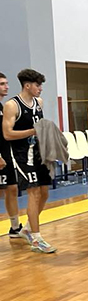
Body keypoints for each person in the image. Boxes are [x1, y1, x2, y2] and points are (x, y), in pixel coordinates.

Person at [2, 68, 56, 253]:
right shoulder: (12, 105)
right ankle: (37, 239)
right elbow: (7, 134)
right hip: (22, 155)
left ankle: (26, 229)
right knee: (34, 193)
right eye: (38, 85)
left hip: (39, 152)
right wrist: (32, 131)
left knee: (44, 193)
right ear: (27, 86)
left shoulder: (38, 102)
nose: (41, 89)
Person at [0, 73, 21, 241]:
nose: (6, 86)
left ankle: (15, 227)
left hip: (7, 154)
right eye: (2, 84)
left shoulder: (3, 107)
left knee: (12, 188)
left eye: (6, 83)